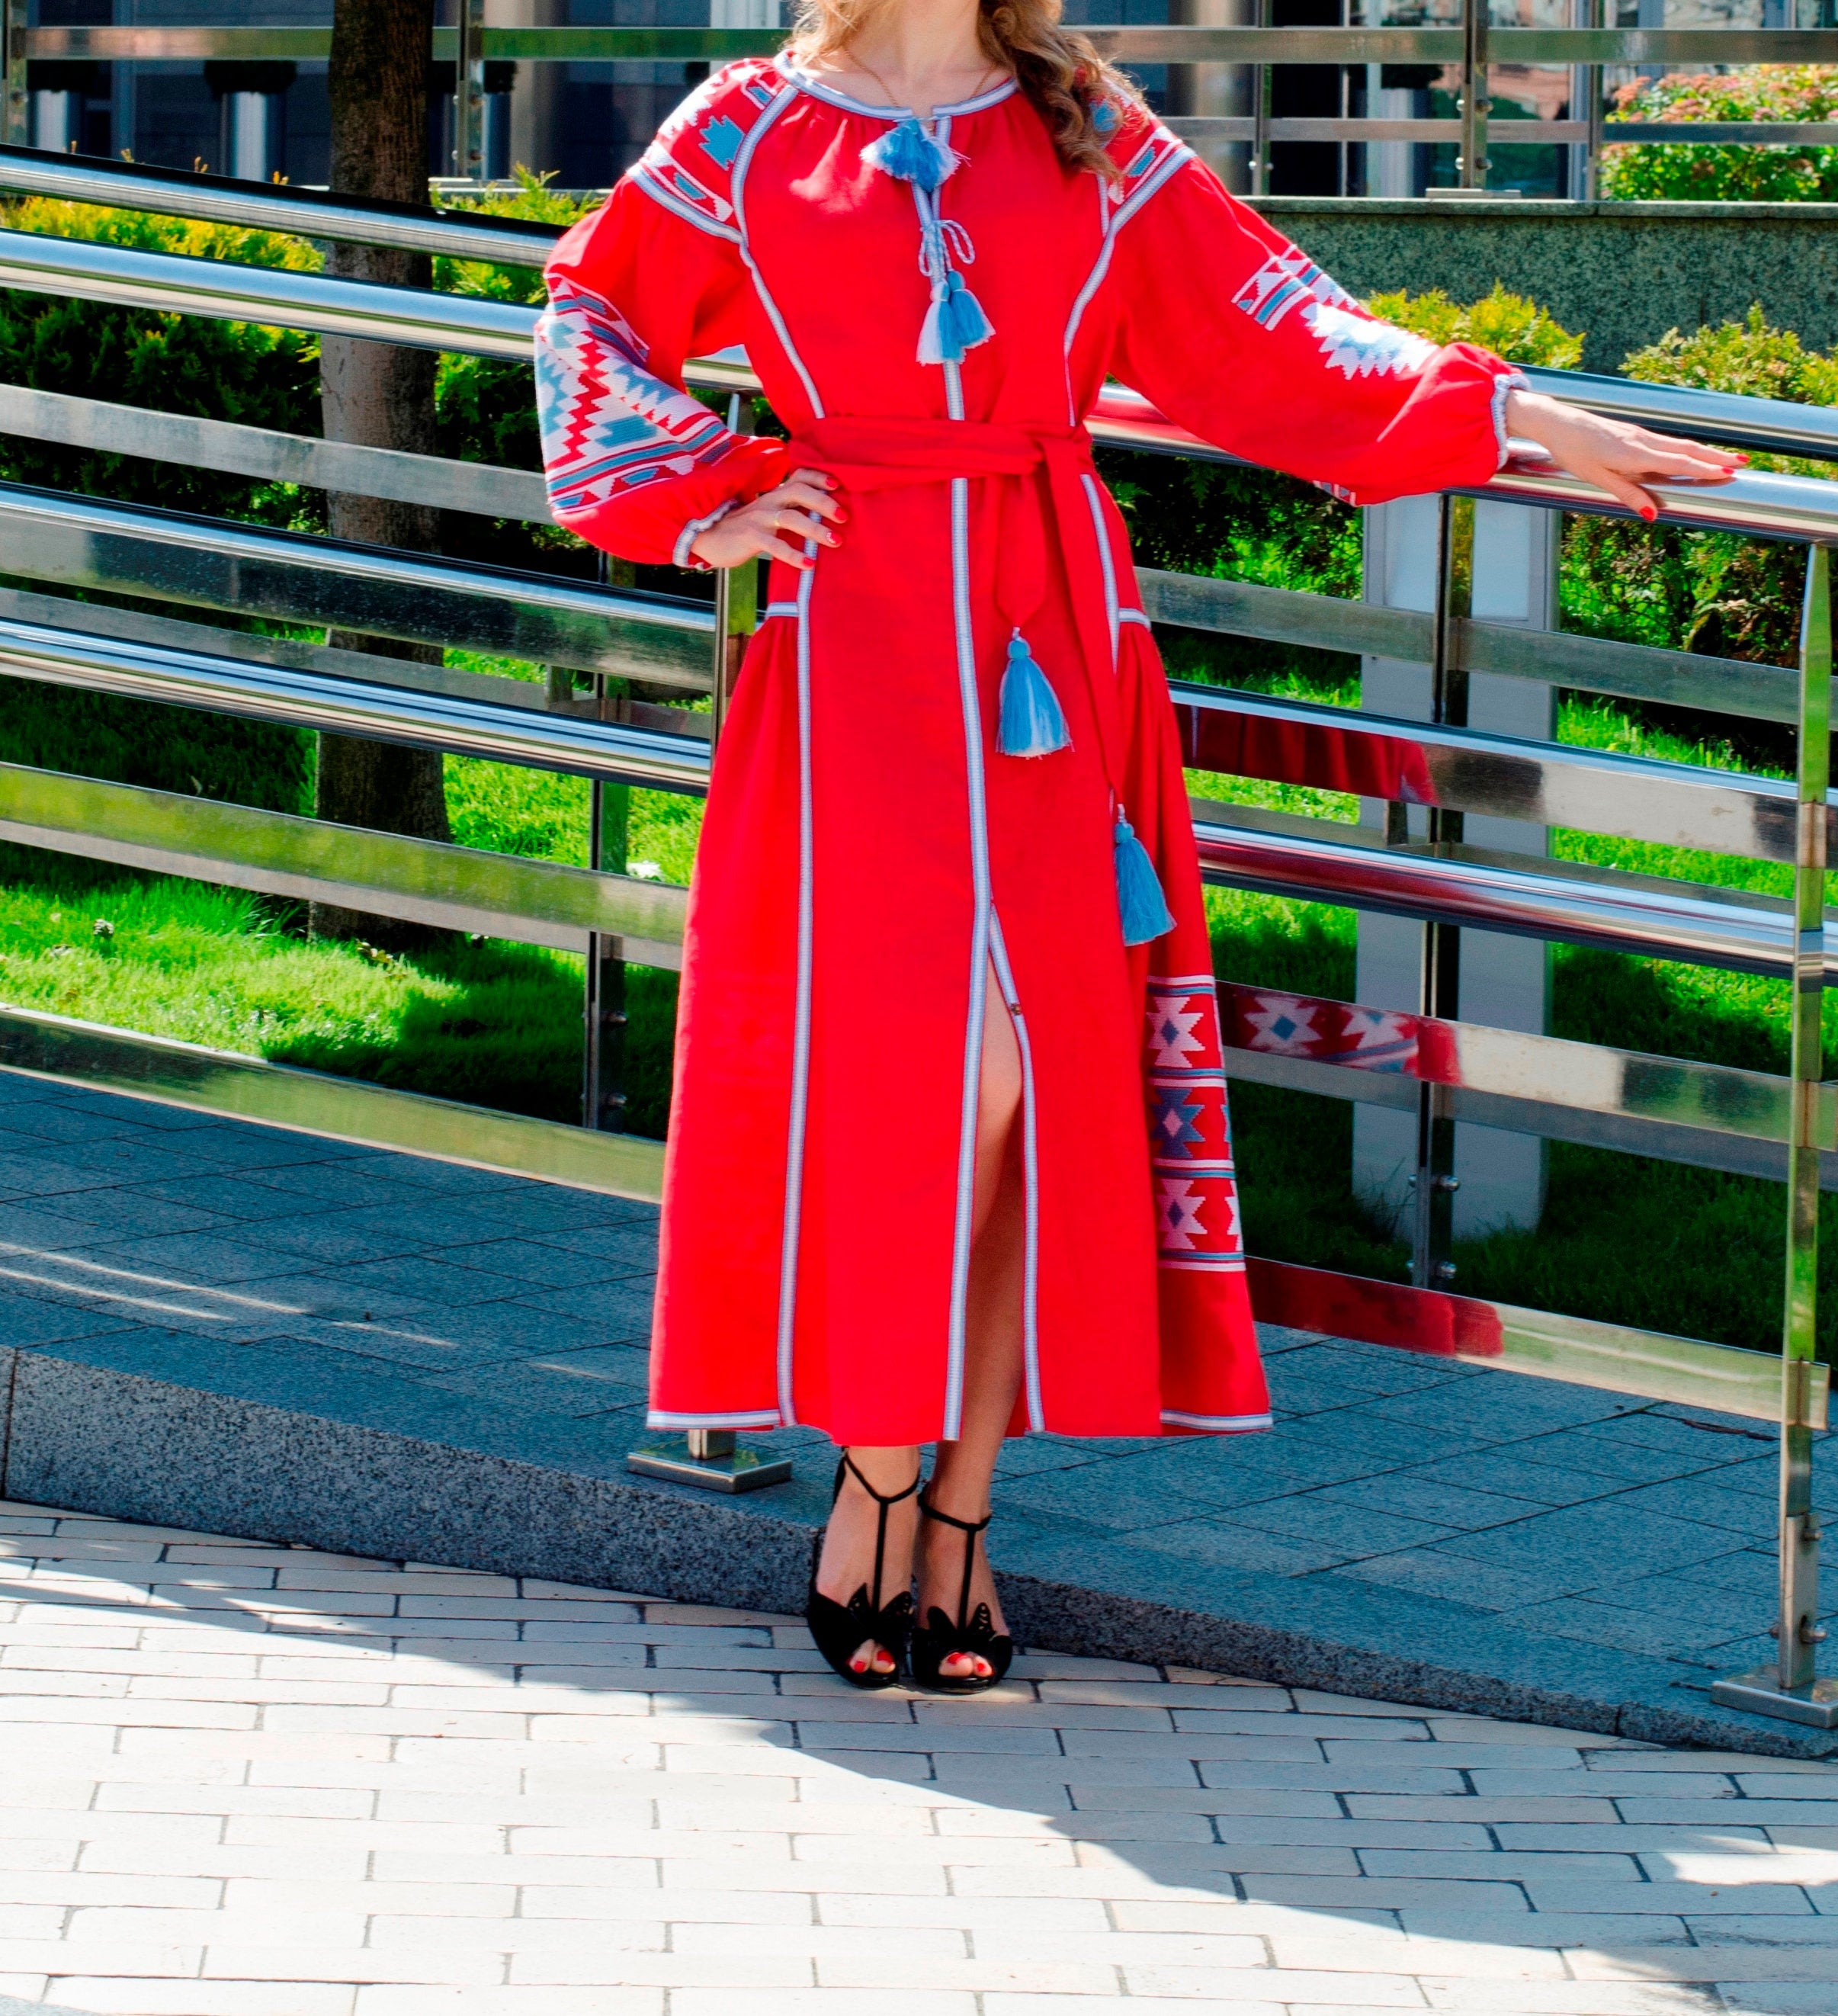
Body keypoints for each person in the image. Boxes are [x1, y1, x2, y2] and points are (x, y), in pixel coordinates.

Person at [534, 0, 1740, 1693]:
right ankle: (878, 1467)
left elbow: (1278, 333)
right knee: (919, 1075)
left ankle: (955, 1503)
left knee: (1038, 1073)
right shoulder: (745, 129)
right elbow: (588, 302)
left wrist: (1509, 415)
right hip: (855, 632)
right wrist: (697, 492)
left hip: (1053, 638)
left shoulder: (1083, 120)